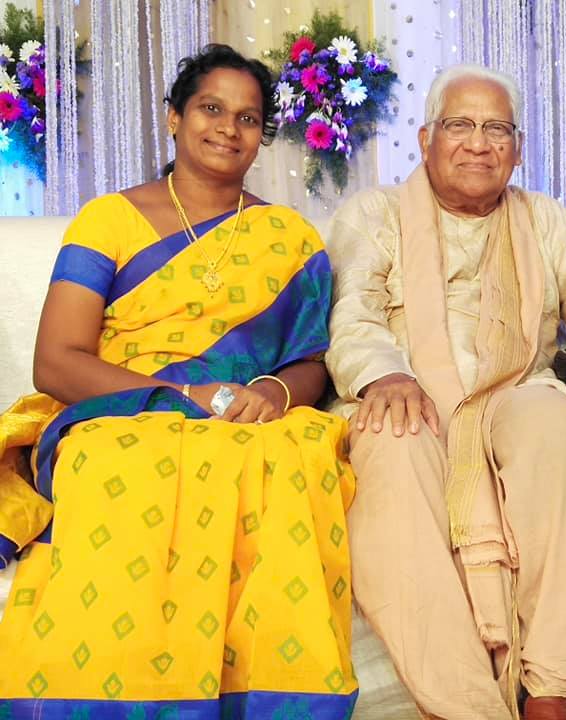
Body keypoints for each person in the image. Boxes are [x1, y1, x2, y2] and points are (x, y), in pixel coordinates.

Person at [0, 45, 357, 718]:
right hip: (117, 409)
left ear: (262, 134)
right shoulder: (108, 220)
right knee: (123, 460)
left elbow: (311, 360)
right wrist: (184, 398)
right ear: (174, 117)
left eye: (247, 118)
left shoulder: (290, 237)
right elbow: (57, 361)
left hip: (244, 416)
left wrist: (274, 394)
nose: (228, 128)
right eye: (210, 109)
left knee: (293, 455)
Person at [324, 64, 566, 720]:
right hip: (404, 390)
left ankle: (549, 689)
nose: (478, 144)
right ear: (426, 138)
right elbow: (353, 312)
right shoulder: (374, 214)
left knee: (551, 427)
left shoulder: (543, 218)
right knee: (390, 440)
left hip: (515, 388)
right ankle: (465, 705)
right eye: (460, 125)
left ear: (517, 148)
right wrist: (384, 374)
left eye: (496, 129)